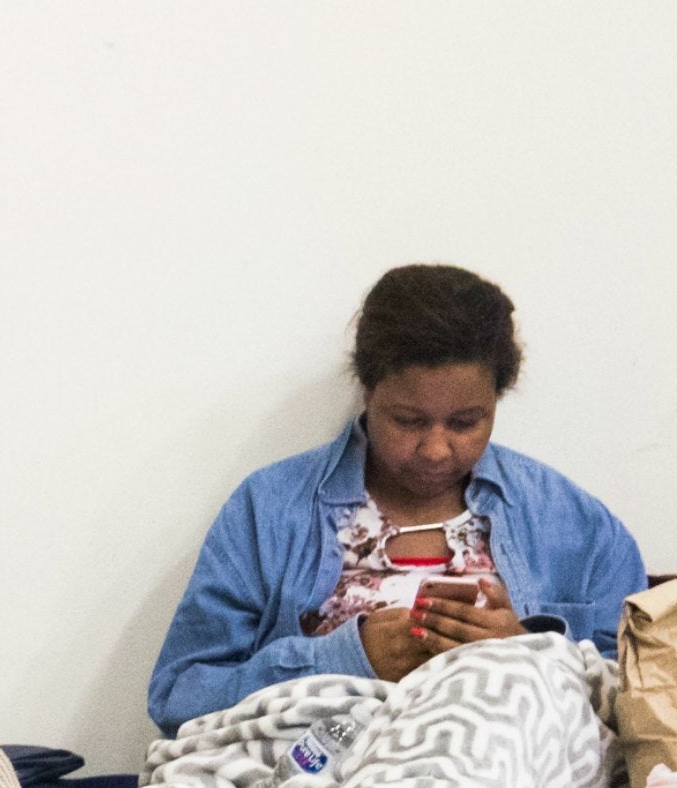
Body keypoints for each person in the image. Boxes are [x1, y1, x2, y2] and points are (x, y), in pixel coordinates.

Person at [148, 264, 647, 736]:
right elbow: (178, 699)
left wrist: (527, 654)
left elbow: (645, 704)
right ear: (368, 394)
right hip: (311, 781)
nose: (435, 449)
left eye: (466, 422)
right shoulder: (270, 509)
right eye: (407, 421)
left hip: (505, 783)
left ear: (497, 399)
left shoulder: (574, 524)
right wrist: (341, 658)